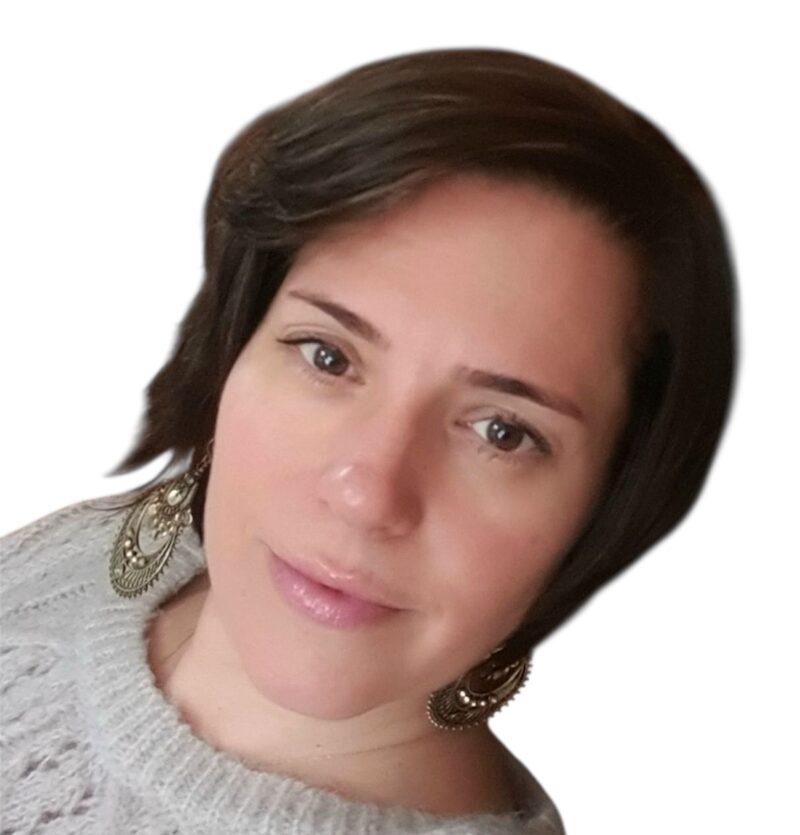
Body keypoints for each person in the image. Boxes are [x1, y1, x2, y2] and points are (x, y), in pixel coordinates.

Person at [0, 47, 736, 834]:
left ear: (609, 507)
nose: (366, 493)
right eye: (328, 356)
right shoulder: (79, 555)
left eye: (502, 431)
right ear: (238, 343)